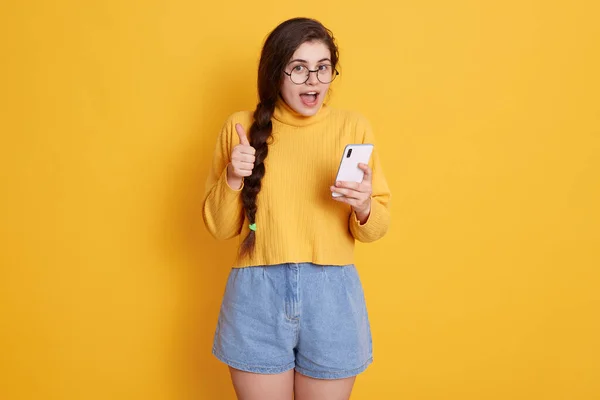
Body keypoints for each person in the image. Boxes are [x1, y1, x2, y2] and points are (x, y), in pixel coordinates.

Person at [203, 17, 391, 400]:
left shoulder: (353, 128)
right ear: (276, 73)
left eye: (323, 68)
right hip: (257, 295)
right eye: (299, 68)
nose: (314, 81)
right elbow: (220, 229)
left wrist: (365, 206)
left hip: (332, 294)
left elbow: (376, 228)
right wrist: (234, 178)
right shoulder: (239, 128)